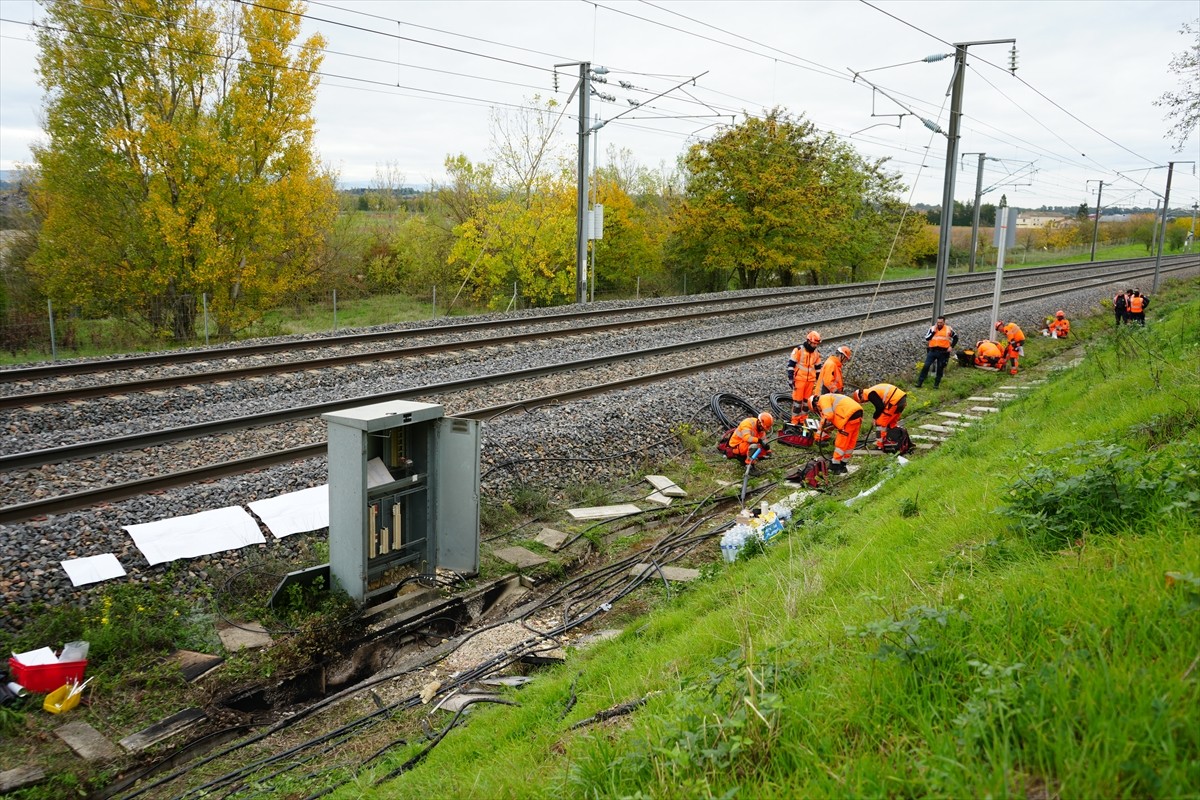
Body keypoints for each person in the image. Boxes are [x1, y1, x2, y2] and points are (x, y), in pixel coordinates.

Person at [811, 393, 863, 474]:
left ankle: (835, 466)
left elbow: (828, 416)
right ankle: (843, 464)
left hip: (848, 416)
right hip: (857, 414)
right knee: (850, 442)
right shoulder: (830, 397)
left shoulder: (822, 399)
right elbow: (834, 419)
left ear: (815, 404)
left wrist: (819, 434)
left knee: (841, 443)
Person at [852, 383, 907, 448]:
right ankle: (895, 440)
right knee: (891, 423)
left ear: (861, 395)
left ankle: (881, 445)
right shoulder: (872, 391)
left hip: (894, 401)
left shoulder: (870, 394)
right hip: (901, 399)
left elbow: (880, 407)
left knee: (880, 423)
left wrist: (874, 418)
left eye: (862, 401)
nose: (865, 402)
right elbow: (881, 406)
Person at [787, 331, 822, 424]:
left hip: (810, 381)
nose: (815, 346)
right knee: (797, 402)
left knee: (807, 403)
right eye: (814, 343)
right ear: (808, 341)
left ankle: (803, 420)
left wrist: (818, 381)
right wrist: (791, 379)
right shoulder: (798, 350)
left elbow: (818, 368)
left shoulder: (816, 353)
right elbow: (791, 365)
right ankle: (794, 421)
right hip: (799, 380)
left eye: (816, 344)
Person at [916, 316, 958, 389]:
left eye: (941, 322)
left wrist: (951, 346)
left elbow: (956, 337)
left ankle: (936, 385)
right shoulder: (932, 328)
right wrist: (933, 332)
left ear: (944, 322)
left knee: (940, 368)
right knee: (926, 366)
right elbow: (927, 338)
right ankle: (920, 382)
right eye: (938, 322)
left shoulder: (948, 329)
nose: (939, 324)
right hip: (932, 351)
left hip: (943, 352)